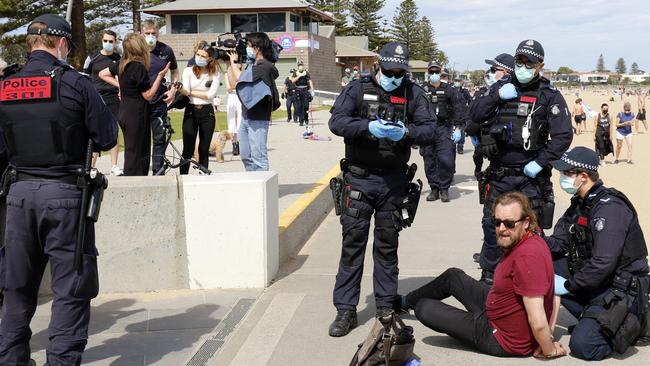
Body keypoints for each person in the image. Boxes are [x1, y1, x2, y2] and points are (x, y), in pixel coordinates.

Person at [0, 14, 117, 365]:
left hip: (19, 196)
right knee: (70, 288)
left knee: (16, 288)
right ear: (62, 43)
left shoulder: (6, 86)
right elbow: (107, 137)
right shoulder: (77, 83)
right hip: (65, 195)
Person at [327, 42, 436, 337]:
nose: (395, 76)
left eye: (401, 72)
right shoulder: (357, 88)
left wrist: (408, 132)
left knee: (387, 247)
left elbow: (430, 129)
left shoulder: (413, 92)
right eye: (390, 71)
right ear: (378, 65)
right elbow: (336, 121)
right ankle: (345, 310)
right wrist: (367, 127)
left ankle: (385, 307)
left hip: (393, 182)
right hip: (360, 178)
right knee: (353, 245)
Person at [400, 192, 565, 359]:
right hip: (497, 306)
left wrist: (549, 348)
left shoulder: (527, 257)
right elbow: (555, 294)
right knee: (453, 276)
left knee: (424, 308)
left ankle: (416, 304)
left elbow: (538, 322)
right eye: (497, 222)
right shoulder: (530, 237)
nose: (501, 229)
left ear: (526, 222)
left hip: (500, 338)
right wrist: (550, 332)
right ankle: (404, 302)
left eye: (509, 223)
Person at [469, 39, 573, 284]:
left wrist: (541, 161)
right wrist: (496, 95)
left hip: (531, 177)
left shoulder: (550, 96)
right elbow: (473, 116)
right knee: (493, 227)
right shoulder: (501, 88)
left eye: (530, 63)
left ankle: (529, 280)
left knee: (531, 230)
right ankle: (489, 280)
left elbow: (563, 135)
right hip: (499, 174)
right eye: (519, 61)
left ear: (540, 66)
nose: (523, 66)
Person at [544, 147, 649, 360]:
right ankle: (592, 317)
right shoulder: (580, 205)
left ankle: (628, 327)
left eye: (566, 173)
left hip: (621, 288)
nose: (562, 177)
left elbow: (603, 262)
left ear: (583, 176)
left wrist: (567, 285)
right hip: (599, 282)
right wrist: (530, 237)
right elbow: (556, 243)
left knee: (583, 345)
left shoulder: (610, 208)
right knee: (544, 263)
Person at [100, 33, 169, 176]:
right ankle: (135, 183)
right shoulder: (138, 67)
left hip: (124, 111)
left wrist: (121, 86)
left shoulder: (122, 64)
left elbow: (103, 73)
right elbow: (148, 95)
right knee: (139, 154)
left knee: (131, 152)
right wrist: (160, 77)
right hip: (136, 114)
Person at [227, 32, 280, 171]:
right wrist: (232, 64)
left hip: (258, 118)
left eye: (249, 46)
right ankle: (254, 183)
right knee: (245, 155)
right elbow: (234, 83)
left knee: (258, 156)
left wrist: (233, 62)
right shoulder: (253, 64)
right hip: (246, 116)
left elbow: (240, 77)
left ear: (258, 48)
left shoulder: (264, 66)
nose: (247, 49)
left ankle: (264, 189)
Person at [420, 62, 470, 202]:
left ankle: (444, 188)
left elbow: (458, 108)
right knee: (429, 160)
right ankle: (434, 188)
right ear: (428, 73)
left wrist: (458, 128)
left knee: (446, 160)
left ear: (440, 73)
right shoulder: (422, 89)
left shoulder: (449, 89)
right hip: (427, 128)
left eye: (437, 72)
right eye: (432, 72)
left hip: (444, 128)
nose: (434, 74)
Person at [467, 54, 515, 178]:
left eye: (494, 70)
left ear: (505, 72)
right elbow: (475, 114)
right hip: (494, 153)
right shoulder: (492, 91)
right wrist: (496, 96)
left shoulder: (518, 92)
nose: (491, 73)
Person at [83, 29, 123, 176]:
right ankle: (91, 166)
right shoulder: (92, 58)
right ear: (102, 41)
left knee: (113, 130)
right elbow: (84, 78)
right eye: (105, 41)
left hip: (113, 98)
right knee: (93, 131)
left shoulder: (119, 58)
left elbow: (121, 78)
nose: (108, 43)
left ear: (115, 42)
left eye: (111, 41)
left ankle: (114, 166)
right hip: (95, 98)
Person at [141, 20, 179, 175]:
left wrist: (173, 90)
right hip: (140, 103)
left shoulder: (166, 50)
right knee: (141, 140)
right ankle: (140, 172)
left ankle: (158, 171)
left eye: (153, 33)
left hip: (159, 102)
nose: (150, 36)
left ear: (158, 33)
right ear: (142, 33)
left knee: (159, 139)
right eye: (147, 33)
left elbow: (175, 72)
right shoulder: (136, 51)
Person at [178, 43, 220, 174]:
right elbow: (185, 90)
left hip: (207, 112)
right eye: (198, 55)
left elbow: (210, 95)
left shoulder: (215, 73)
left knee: (203, 148)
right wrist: (182, 90)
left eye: (203, 56)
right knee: (188, 149)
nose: (200, 58)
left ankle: (203, 175)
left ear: (210, 59)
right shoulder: (188, 71)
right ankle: (183, 176)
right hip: (191, 111)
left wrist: (190, 92)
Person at [224, 63, 242, 158]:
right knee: (231, 120)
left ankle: (239, 142)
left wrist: (235, 85)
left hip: (240, 96)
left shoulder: (241, 73)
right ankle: (234, 143)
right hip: (231, 97)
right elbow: (229, 88)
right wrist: (236, 85)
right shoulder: (227, 74)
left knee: (240, 119)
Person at [291, 60, 314, 129]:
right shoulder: (295, 73)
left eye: (301, 65)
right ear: (298, 66)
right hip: (298, 90)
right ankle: (301, 120)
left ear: (303, 66)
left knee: (306, 106)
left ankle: (306, 119)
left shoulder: (306, 73)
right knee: (299, 107)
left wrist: (312, 90)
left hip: (305, 90)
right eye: (299, 65)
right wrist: (299, 76)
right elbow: (292, 81)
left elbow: (310, 81)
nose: (300, 66)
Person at [453, 78, 472, 154]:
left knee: (461, 133)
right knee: (452, 132)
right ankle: (452, 147)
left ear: (461, 82)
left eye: (458, 81)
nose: (457, 82)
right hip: (453, 115)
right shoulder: (451, 90)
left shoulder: (465, 91)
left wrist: (468, 111)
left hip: (463, 115)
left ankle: (460, 148)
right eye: (456, 81)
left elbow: (470, 101)